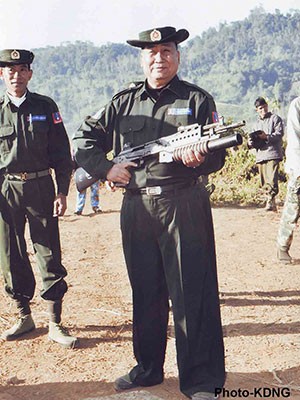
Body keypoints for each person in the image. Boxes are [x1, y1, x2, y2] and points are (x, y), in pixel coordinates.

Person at [73, 27, 225, 400]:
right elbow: (84, 138)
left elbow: (219, 152)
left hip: (183, 202)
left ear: (178, 55)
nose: (160, 58)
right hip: (137, 205)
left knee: (193, 292)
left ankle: (201, 380)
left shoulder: (197, 99)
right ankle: (147, 369)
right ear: (143, 58)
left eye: (167, 50)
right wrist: (106, 169)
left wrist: (202, 157)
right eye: (152, 52)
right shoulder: (123, 100)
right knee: (146, 291)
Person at [0, 49, 77, 348]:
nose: (16, 75)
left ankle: (55, 322)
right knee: (11, 254)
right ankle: (23, 315)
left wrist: (61, 191)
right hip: (6, 190)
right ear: (2, 74)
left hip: (41, 186)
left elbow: (61, 152)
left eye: (22, 70)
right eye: (10, 70)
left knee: (48, 252)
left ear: (30, 74)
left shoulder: (45, 106)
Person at [248, 97, 284, 211]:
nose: (263, 110)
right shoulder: (256, 124)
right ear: (256, 110)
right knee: (264, 180)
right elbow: (252, 141)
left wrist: (266, 137)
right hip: (261, 155)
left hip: (273, 153)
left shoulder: (275, 119)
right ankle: (270, 200)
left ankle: (270, 200)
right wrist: (250, 143)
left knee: (272, 178)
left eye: (264, 107)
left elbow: (279, 134)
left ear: (267, 106)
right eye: (260, 108)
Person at [277, 96, 300, 263]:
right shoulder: (297, 105)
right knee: (293, 208)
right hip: (299, 167)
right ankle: (283, 247)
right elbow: (294, 140)